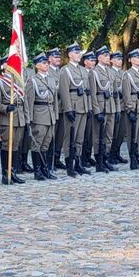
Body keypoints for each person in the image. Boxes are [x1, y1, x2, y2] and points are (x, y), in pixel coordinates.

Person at [58, 43, 91, 177]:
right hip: (73, 107)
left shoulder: (83, 70)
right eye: (76, 53)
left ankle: (78, 163)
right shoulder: (65, 70)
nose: (79, 55)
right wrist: (68, 109)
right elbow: (64, 91)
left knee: (79, 138)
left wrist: (88, 106)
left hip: (83, 106)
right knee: (70, 138)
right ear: (70, 54)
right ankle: (69, 165)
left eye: (79, 53)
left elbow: (87, 91)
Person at [24, 52, 58, 179]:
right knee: (37, 143)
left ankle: (45, 169)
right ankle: (37, 171)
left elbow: (54, 100)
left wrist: (55, 115)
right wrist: (29, 119)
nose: (46, 65)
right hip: (39, 116)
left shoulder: (51, 80)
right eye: (44, 63)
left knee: (46, 144)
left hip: (50, 115)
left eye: (47, 63)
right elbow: (29, 102)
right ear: (37, 66)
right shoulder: (32, 81)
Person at [0, 57, 25, 186]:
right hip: (8, 117)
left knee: (16, 145)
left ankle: (13, 172)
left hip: (19, 117)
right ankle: (5, 174)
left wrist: (27, 117)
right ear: (4, 67)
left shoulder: (18, 82)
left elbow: (24, 102)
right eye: (8, 64)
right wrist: (5, 108)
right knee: (7, 145)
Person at [89, 48, 118, 173]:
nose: (108, 58)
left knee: (109, 136)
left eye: (108, 55)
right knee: (98, 136)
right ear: (99, 58)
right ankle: (99, 162)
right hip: (101, 107)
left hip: (111, 107)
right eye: (105, 55)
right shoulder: (94, 73)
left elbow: (115, 93)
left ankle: (106, 159)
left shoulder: (111, 72)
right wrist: (97, 111)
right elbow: (92, 94)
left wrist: (117, 109)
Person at [107, 51, 128, 166]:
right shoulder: (109, 72)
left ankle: (117, 152)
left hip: (123, 105)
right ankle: (110, 154)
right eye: (117, 59)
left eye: (121, 59)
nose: (120, 61)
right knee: (113, 132)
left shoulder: (124, 74)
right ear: (111, 60)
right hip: (114, 106)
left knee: (121, 132)